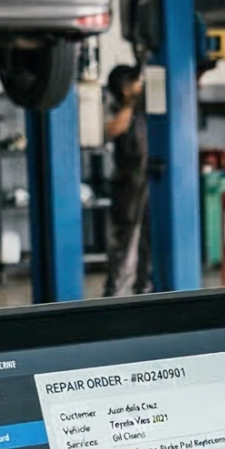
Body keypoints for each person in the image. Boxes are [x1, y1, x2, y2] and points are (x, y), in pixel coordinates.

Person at [102, 65, 150, 296]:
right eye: (135, 83)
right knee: (124, 243)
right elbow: (112, 129)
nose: (140, 86)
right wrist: (131, 102)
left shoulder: (147, 106)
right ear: (124, 87)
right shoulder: (116, 107)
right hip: (128, 184)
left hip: (150, 181)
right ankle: (115, 293)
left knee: (148, 242)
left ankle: (145, 289)